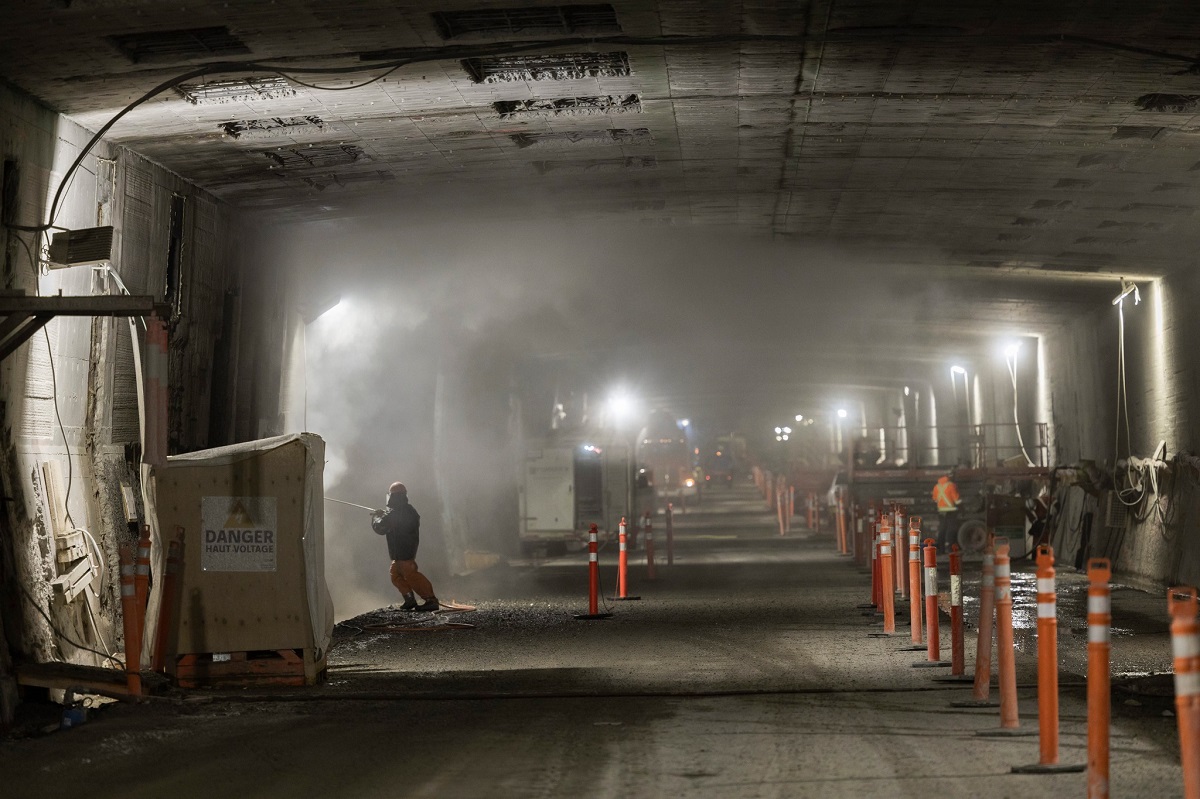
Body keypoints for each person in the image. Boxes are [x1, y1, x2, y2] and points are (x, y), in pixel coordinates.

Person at [371, 482, 438, 611]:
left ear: (392, 496)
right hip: (401, 553)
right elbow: (389, 521)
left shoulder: (396, 513)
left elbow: (380, 527)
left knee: (411, 576)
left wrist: (376, 517)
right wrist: (383, 515)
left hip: (404, 553)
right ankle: (409, 599)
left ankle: (431, 600)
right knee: (395, 574)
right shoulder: (407, 510)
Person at [932, 473, 961, 553]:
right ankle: (950, 548)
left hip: (941, 511)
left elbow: (935, 499)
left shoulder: (936, 486)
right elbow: (957, 500)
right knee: (951, 529)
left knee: (942, 529)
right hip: (951, 511)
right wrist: (962, 505)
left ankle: (941, 549)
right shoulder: (951, 485)